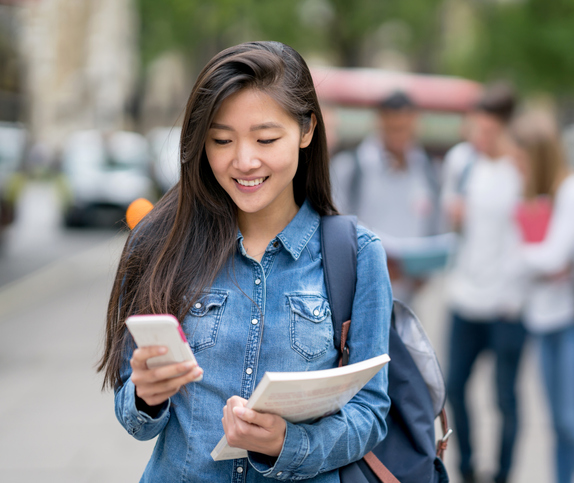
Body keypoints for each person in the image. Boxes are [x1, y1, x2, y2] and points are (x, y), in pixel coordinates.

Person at [97, 41, 392, 482]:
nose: (244, 161)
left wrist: (288, 445)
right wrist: (146, 395)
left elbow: (370, 413)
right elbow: (134, 416)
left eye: (266, 138)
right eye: (221, 140)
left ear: (307, 130)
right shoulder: (158, 243)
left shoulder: (358, 254)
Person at [510, 111, 574, 483]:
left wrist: (524, 258)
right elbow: (549, 262)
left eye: (521, 160)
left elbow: (553, 257)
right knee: (559, 427)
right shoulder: (537, 197)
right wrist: (543, 262)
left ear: (538, 156)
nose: (517, 168)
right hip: (545, 318)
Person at [441, 84, 528, 483]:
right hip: (464, 296)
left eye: (490, 131)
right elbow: (450, 219)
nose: (481, 138)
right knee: (454, 387)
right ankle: (468, 467)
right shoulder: (462, 163)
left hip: (508, 303)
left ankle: (504, 472)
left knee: (505, 397)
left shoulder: (522, 169)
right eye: (477, 128)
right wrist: (453, 216)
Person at [329, 91, 440, 302]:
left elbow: (434, 225)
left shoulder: (427, 170)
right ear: (380, 123)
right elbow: (335, 227)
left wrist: (424, 270)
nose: (400, 137)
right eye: (394, 129)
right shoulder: (351, 168)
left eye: (406, 129)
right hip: (361, 293)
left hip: (408, 298)